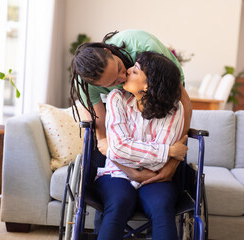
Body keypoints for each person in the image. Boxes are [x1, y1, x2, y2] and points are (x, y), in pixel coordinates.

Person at [70, 29, 192, 184]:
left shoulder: (141, 45)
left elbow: (185, 104)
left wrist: (172, 164)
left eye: (120, 68)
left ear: (109, 51)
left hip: (165, 89)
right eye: (113, 83)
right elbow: (104, 139)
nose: (123, 77)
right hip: (126, 107)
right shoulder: (87, 87)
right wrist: (133, 174)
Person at [94, 51, 188, 240]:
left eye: (136, 70)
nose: (128, 71)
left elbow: (156, 165)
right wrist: (168, 151)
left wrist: (124, 150)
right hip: (116, 173)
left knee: (161, 207)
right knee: (118, 203)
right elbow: (119, 148)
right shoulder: (116, 98)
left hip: (155, 177)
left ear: (148, 85)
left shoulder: (175, 109)